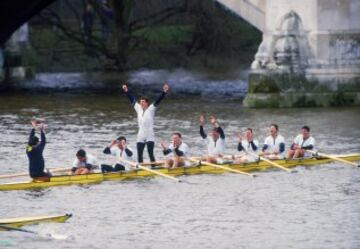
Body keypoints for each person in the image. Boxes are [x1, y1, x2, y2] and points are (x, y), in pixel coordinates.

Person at [122, 83, 170, 164]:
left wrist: (164, 92)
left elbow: (158, 100)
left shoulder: (151, 109)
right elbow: (132, 99)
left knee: (150, 154)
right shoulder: (138, 108)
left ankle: (154, 167)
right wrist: (126, 91)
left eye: (143, 102)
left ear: (147, 103)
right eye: (141, 102)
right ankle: (141, 169)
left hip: (149, 134)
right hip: (140, 134)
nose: (141, 103)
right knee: (139, 155)